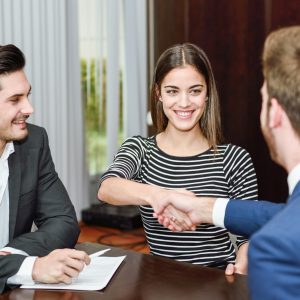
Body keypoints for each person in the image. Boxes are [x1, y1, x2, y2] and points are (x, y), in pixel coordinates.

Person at [154, 26, 300, 300]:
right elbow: (285, 214)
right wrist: (203, 208)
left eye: (263, 98)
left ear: (275, 114)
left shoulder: (275, 249)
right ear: (159, 93)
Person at [98, 43, 258, 272]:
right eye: (172, 91)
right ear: (158, 93)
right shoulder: (141, 149)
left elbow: (249, 235)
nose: (184, 103)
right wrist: (160, 196)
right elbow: (107, 187)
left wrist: (242, 265)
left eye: (195, 91)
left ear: (208, 94)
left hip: (217, 278)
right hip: (159, 279)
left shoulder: (235, 159)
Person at [0, 44, 90, 294]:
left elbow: (63, 222)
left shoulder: (34, 142)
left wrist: (10, 255)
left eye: (27, 95)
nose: (29, 109)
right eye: (15, 100)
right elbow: (33, 267)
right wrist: (31, 267)